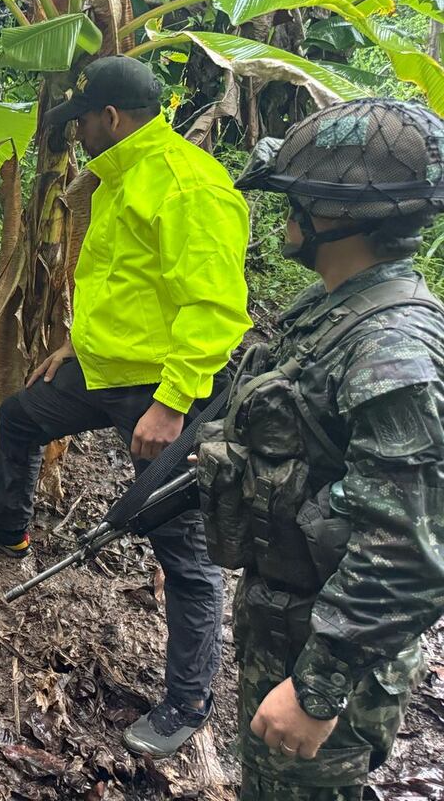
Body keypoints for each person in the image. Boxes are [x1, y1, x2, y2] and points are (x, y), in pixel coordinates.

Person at [0, 56, 253, 756]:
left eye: (80, 121)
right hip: (105, 370)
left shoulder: (186, 185)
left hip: (162, 388)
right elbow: (125, 284)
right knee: (19, 417)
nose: (76, 135)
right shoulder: (117, 177)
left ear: (109, 117)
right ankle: (7, 528)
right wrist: (77, 350)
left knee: (184, 549)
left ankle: (187, 703)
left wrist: (172, 405)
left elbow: (214, 308)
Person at [199, 98, 444, 800]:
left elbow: (409, 549)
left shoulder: (392, 351)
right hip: (288, 619)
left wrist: (318, 690)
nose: (288, 215)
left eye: (298, 200)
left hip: (328, 652)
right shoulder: (332, 307)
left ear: (338, 214)